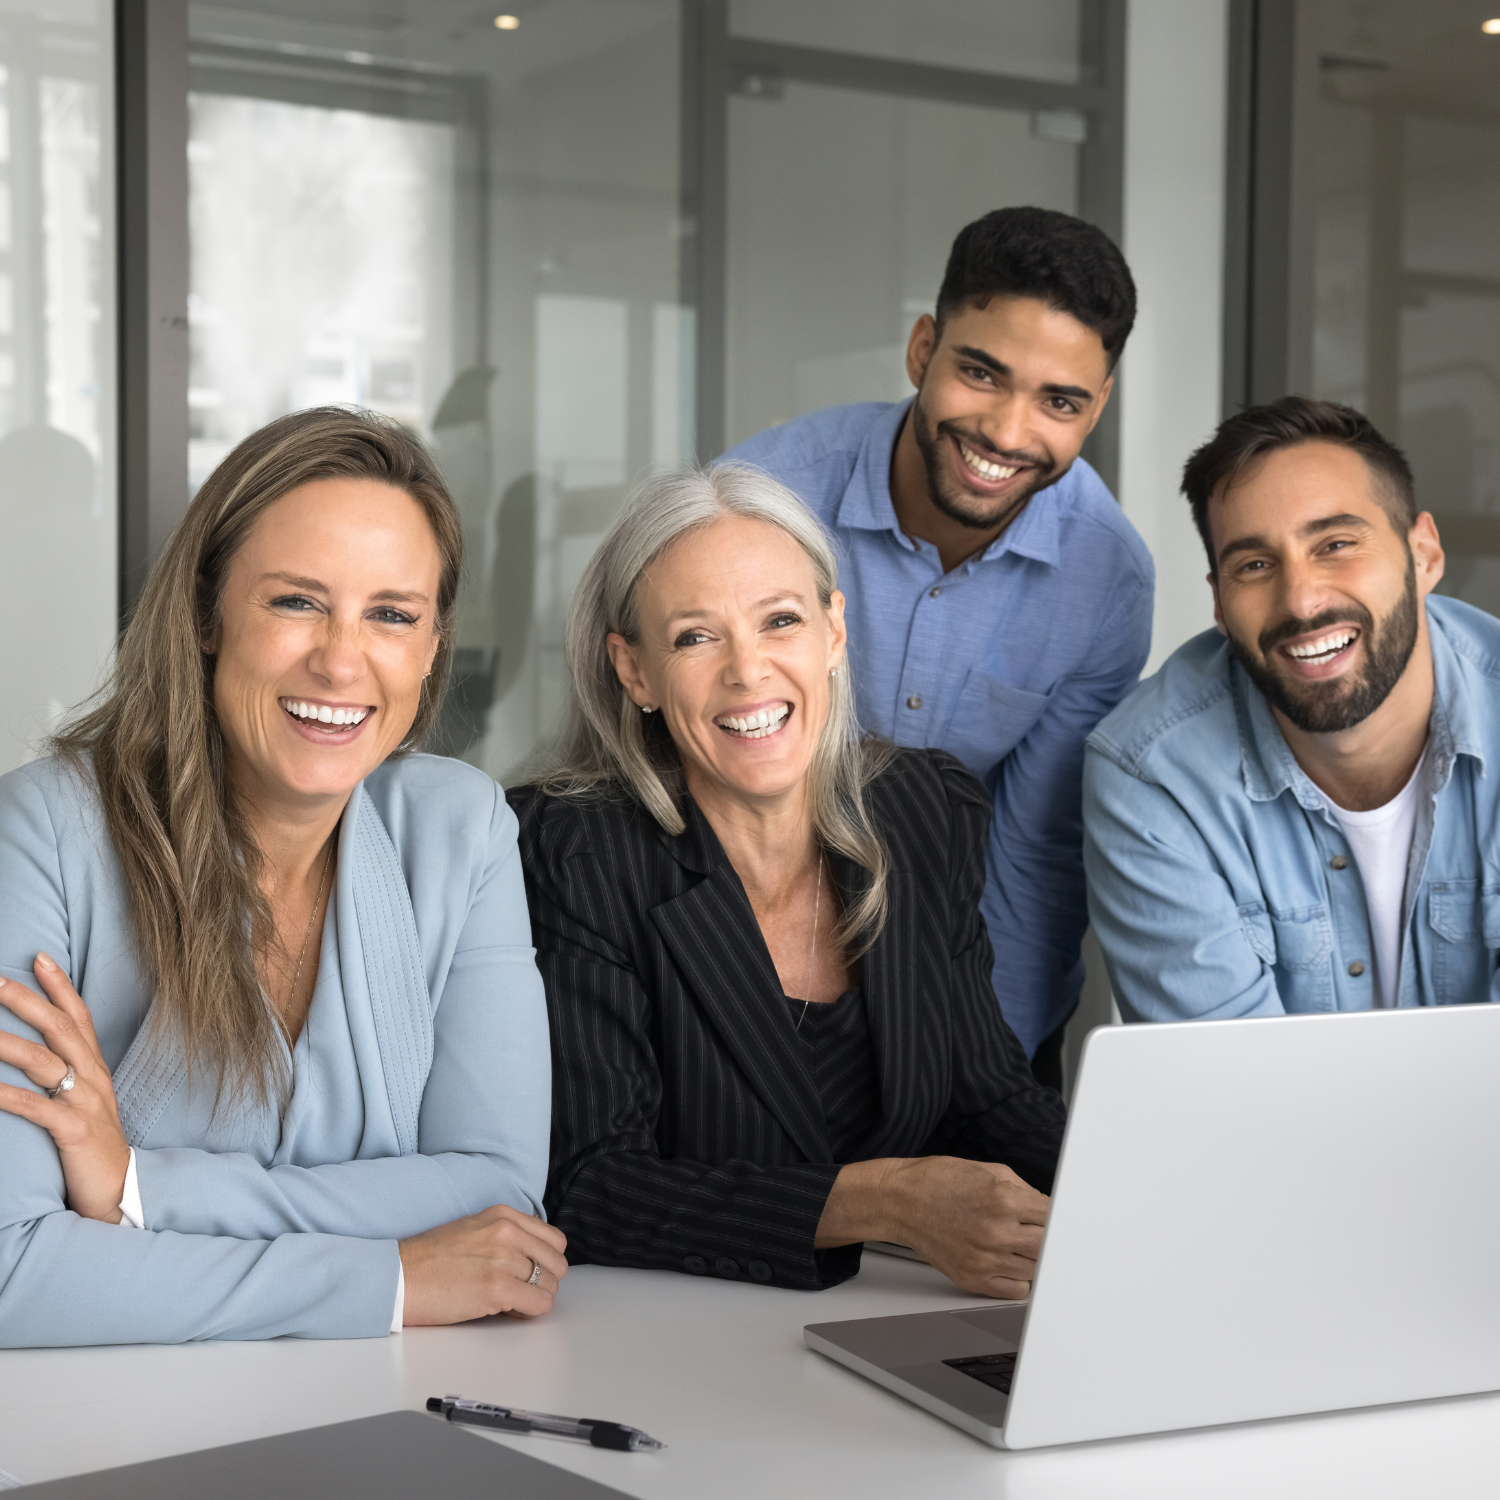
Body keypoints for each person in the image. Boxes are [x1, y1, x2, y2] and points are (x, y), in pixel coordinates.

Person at [0, 407, 565, 1347]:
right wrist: (390, 1278)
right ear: (206, 612)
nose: (342, 660)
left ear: (431, 649)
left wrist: (140, 1187)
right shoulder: (42, 835)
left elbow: (501, 1199)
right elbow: (13, 1267)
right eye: (297, 601)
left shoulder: (462, 830)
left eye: (391, 615)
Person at [509, 465, 1065, 1298]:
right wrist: (884, 1202)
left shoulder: (922, 810)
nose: (748, 672)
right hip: (662, 1346)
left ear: (833, 634)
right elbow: (590, 1184)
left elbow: (986, 1099)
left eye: (780, 621)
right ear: (635, 672)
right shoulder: (575, 851)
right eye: (696, 636)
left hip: (884, 1325)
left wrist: (1139, 1197)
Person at [723, 206, 1154, 1084]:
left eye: (1060, 401)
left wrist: (980, 1076)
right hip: (741, 955)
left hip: (964, 981)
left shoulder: (1107, 580)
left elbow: (1034, 856)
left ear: (1098, 404)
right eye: (982, 373)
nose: (1005, 431)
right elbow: (677, 779)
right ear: (924, 349)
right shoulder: (764, 503)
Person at [1082, 395, 1499, 1023]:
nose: (1301, 601)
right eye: (1254, 564)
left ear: (1424, 556)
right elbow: (1234, 1089)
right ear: (1220, 606)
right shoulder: (1152, 774)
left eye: (1335, 544)